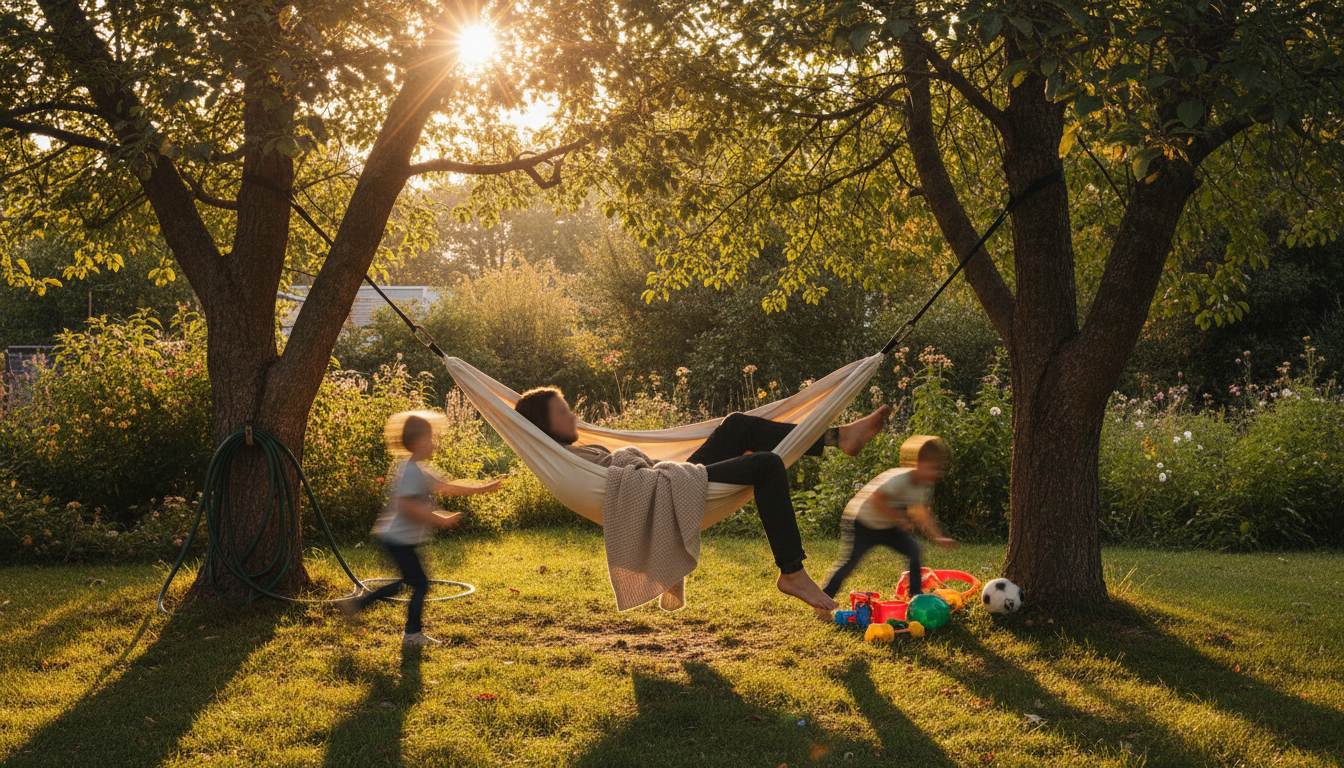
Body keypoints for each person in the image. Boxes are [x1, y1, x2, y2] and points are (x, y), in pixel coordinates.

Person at [513, 386, 892, 615]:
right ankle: (791, 572)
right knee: (767, 466)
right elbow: (625, 478)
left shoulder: (572, 453)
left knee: (738, 425)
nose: (574, 415)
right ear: (545, 426)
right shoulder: (565, 460)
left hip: (668, 482)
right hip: (666, 484)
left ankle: (839, 438)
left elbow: (625, 472)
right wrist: (635, 460)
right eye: (564, 412)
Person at [342, 410, 502, 647]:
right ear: (418, 441)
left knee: (406, 583)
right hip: (398, 540)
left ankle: (358, 606)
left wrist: (483, 488)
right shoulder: (410, 471)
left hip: (398, 539)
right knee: (420, 584)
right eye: (431, 438)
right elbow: (405, 505)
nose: (434, 444)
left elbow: (446, 487)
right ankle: (412, 635)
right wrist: (438, 518)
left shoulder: (416, 469)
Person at [820, 436, 957, 603]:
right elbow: (877, 497)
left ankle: (915, 596)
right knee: (850, 562)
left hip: (889, 527)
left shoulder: (923, 485)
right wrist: (898, 517)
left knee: (914, 551)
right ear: (918, 463)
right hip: (864, 522)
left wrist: (937, 536)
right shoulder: (900, 478)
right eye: (930, 467)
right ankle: (823, 599)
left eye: (936, 469)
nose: (933, 473)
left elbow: (921, 513)